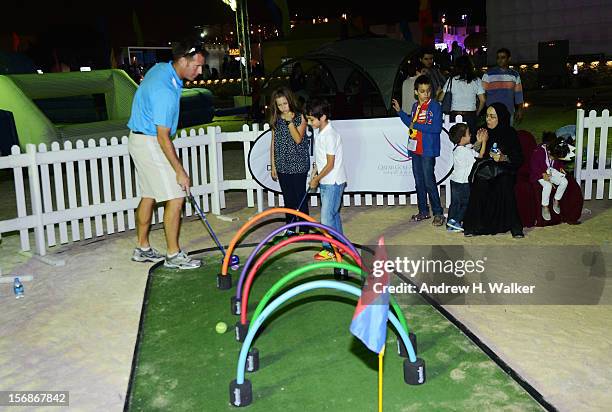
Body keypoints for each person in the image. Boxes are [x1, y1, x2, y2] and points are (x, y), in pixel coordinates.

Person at [127, 39, 206, 269]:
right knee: (176, 196)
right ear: (182, 60)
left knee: (149, 194)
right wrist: (180, 171)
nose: (200, 71)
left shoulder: (162, 68)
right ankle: (173, 255)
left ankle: (142, 249)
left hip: (138, 139)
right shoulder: (166, 92)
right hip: (151, 141)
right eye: (196, 66)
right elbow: (163, 137)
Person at [462, 103, 525, 238]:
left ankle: (515, 227)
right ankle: (473, 226)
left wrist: (503, 157)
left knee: (505, 182)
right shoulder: (483, 130)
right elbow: (476, 151)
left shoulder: (510, 133)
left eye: (492, 117)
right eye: (487, 116)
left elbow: (518, 158)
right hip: (486, 168)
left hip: (505, 169)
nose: (488, 120)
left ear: (501, 118)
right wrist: (479, 142)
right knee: (479, 182)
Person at [392, 75, 445, 226]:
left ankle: (438, 213)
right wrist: (400, 112)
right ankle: (423, 211)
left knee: (429, 181)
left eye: (428, 91)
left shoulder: (435, 106)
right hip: (416, 150)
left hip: (427, 150)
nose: (426, 94)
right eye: (422, 91)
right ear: (416, 92)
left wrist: (416, 126)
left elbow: (436, 128)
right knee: (419, 182)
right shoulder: (415, 106)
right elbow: (410, 123)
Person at [305, 98, 347, 261]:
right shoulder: (319, 131)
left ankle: (329, 248)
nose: (310, 122)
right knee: (333, 214)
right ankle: (340, 244)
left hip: (333, 181)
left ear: (322, 118)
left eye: (312, 119)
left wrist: (317, 179)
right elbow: (321, 158)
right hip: (326, 180)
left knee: (326, 218)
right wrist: (315, 171)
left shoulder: (330, 135)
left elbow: (330, 164)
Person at [269, 87, 310, 234]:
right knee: (288, 198)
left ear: (290, 101)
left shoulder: (300, 117)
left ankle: (305, 228)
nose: (282, 107)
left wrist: (289, 122)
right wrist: (273, 165)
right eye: (279, 105)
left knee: (300, 197)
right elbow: (273, 143)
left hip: (298, 164)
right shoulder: (276, 119)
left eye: (285, 104)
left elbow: (298, 139)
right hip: (282, 165)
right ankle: (290, 227)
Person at [446, 123, 487, 232]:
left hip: (455, 181)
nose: (471, 135)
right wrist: (484, 142)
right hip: (463, 183)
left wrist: (478, 141)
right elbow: (480, 156)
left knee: (455, 203)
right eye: (468, 134)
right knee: (466, 203)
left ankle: (450, 221)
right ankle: (456, 221)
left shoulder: (459, 149)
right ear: (462, 138)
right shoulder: (464, 152)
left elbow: (472, 148)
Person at [439, 55, 485, 137]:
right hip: (470, 116)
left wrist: (437, 93)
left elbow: (440, 98)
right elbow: (483, 100)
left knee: (456, 140)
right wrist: (477, 112)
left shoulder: (452, 80)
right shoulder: (477, 80)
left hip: (454, 115)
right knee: (471, 141)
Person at [530, 133, 570, 221]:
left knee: (564, 182)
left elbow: (559, 163)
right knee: (547, 186)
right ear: (549, 151)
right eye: (553, 157)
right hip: (539, 173)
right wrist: (542, 173)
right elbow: (533, 166)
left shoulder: (556, 150)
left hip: (551, 170)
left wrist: (561, 168)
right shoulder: (538, 152)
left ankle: (556, 200)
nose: (554, 159)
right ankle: (545, 206)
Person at [482, 48, 524, 125]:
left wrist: (520, 109)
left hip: (508, 111)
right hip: (492, 112)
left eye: (503, 57)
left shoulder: (514, 75)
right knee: (493, 136)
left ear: (509, 59)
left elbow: (518, 94)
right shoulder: (488, 74)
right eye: (498, 57)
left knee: (507, 136)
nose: (500, 60)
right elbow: (482, 93)